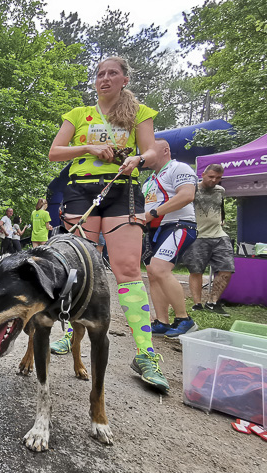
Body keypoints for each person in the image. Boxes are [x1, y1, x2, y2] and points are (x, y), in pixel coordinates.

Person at [47, 56, 169, 392]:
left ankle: (145, 353)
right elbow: (54, 152)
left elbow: (152, 154)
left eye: (112, 73)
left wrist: (138, 159)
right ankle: (70, 331)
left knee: (128, 269)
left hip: (121, 189)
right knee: (77, 266)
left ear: (124, 79)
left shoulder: (139, 113)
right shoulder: (78, 115)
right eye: (100, 73)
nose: (104, 78)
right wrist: (87, 147)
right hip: (80, 190)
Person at [142, 139, 198, 337]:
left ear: (165, 150)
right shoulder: (149, 180)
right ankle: (162, 321)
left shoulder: (179, 167)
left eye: (150, 149)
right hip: (154, 229)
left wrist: (153, 213)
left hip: (179, 225)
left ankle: (184, 319)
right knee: (152, 273)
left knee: (160, 268)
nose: (145, 153)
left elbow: (187, 195)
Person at [183, 164, 234, 317]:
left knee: (227, 268)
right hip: (197, 235)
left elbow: (221, 208)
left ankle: (213, 302)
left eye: (218, 178)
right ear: (203, 174)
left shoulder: (221, 190)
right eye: (211, 176)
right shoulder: (193, 189)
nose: (214, 180)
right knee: (196, 270)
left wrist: (222, 220)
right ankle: (197, 304)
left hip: (218, 234)